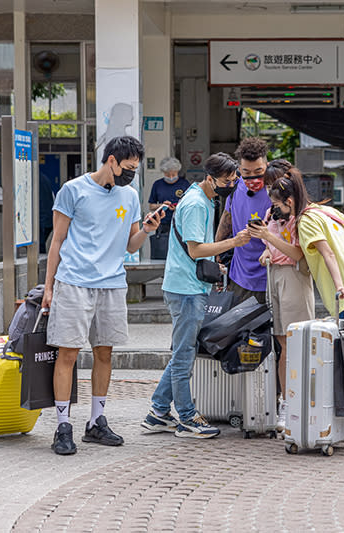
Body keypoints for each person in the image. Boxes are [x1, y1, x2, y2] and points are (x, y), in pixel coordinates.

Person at [42, 136, 163, 456]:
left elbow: (131, 246)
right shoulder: (73, 190)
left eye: (135, 170)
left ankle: (97, 421)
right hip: (74, 282)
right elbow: (56, 241)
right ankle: (62, 425)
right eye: (127, 168)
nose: (130, 175)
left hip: (112, 283)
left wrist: (148, 229)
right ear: (111, 160)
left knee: (105, 353)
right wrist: (49, 287)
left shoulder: (130, 194)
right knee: (67, 354)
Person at [141, 153, 250, 439]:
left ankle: (158, 412)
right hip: (185, 290)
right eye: (229, 180)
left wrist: (215, 264)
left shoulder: (201, 198)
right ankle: (187, 417)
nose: (233, 184)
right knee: (184, 354)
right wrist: (234, 242)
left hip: (188, 286)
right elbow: (196, 249)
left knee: (182, 351)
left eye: (235, 179)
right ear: (211, 178)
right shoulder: (196, 204)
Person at [277, 172, 344, 436]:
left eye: (279, 206)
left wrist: (338, 284)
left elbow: (325, 253)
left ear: (289, 201)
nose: (277, 212)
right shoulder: (325, 211)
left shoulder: (305, 221)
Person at [246, 164, 316, 432]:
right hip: (274, 274)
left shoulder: (303, 217)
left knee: (295, 343)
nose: (268, 194)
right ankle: (286, 402)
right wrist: (266, 250)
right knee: (282, 343)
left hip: (293, 277)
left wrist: (268, 241)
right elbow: (270, 244)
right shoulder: (273, 213)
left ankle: (294, 404)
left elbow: (298, 254)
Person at [215, 137, 271, 304]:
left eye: (258, 171)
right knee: (240, 328)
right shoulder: (235, 187)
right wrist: (217, 251)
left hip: (270, 272)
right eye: (246, 172)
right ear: (239, 169)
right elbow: (227, 218)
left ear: (267, 166)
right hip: (240, 275)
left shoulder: (276, 190)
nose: (252, 177)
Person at [148, 157, 189, 260]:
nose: (171, 177)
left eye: (173, 174)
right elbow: (151, 206)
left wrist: (178, 207)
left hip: (181, 223)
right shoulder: (158, 185)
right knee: (163, 252)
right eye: (167, 174)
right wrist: (162, 205)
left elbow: (190, 204)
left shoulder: (184, 184)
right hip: (162, 224)